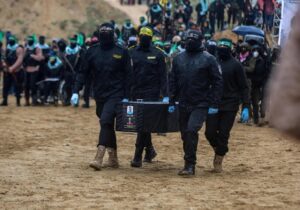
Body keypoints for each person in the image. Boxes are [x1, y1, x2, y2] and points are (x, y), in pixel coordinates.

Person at [72, 23, 131, 170]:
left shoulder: (122, 51)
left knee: (105, 121)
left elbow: (129, 76)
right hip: (99, 94)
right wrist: (75, 90)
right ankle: (113, 158)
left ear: (113, 35)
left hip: (116, 94)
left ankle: (99, 156)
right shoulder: (92, 52)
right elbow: (82, 72)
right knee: (107, 123)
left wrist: (128, 95)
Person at [169, 30, 223, 176]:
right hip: (183, 102)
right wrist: (171, 100)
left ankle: (190, 165)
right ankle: (189, 161)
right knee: (185, 135)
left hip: (201, 103)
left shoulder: (209, 59)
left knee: (192, 130)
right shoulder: (178, 58)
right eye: (188, 39)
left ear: (201, 41)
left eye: (194, 39)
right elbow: (173, 80)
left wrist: (214, 103)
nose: (190, 41)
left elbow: (217, 82)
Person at [205, 39, 250, 173]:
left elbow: (244, 87)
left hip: (230, 105)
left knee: (224, 133)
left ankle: (218, 161)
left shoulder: (236, 65)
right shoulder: (212, 62)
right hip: (213, 103)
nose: (223, 48)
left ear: (230, 49)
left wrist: (246, 106)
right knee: (209, 132)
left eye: (226, 46)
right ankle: (221, 149)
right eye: (221, 46)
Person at [127, 27, 168, 168]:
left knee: (143, 124)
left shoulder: (158, 54)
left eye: (147, 36)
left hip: (152, 93)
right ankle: (149, 150)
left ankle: (137, 156)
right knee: (142, 124)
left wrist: (166, 95)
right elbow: (126, 74)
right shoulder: (131, 52)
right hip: (135, 92)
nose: (144, 37)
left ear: (151, 38)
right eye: (142, 35)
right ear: (138, 36)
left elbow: (164, 77)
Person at [1, 36, 25, 106]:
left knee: (17, 86)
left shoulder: (19, 48)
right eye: (9, 40)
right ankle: (4, 101)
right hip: (7, 71)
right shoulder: (7, 48)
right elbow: (4, 58)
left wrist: (12, 68)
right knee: (5, 87)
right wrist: (4, 64)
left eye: (12, 40)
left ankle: (18, 102)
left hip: (16, 71)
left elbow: (20, 60)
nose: (10, 41)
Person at [23, 35, 45, 106]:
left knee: (33, 86)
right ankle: (27, 101)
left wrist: (32, 56)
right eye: (28, 39)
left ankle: (34, 100)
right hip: (27, 69)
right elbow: (23, 58)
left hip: (34, 70)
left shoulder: (37, 48)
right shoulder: (26, 48)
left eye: (30, 39)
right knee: (26, 86)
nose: (29, 41)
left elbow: (40, 58)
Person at [62, 37, 82, 106]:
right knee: (68, 86)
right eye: (71, 41)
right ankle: (68, 99)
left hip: (76, 71)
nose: (72, 42)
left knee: (75, 86)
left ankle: (75, 101)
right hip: (68, 71)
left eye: (74, 41)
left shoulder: (79, 50)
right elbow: (63, 61)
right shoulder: (66, 50)